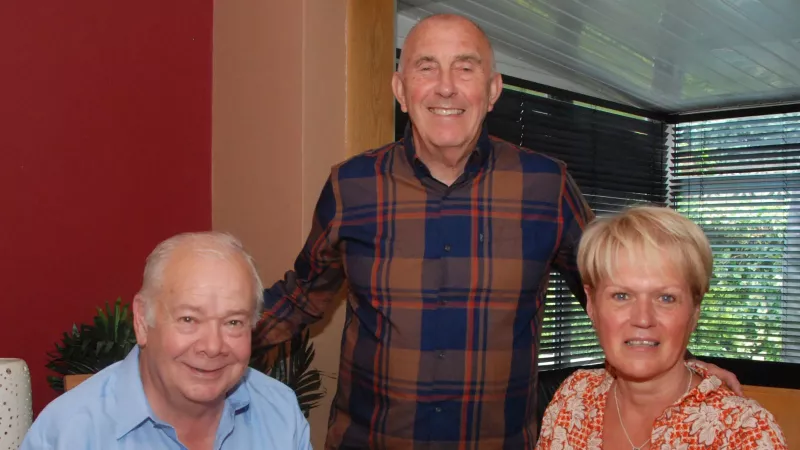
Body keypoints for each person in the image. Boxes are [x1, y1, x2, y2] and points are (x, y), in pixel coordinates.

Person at [257, 13, 741, 449]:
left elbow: (615, 286)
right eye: (426, 67)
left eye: (465, 68)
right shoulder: (352, 185)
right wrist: (209, 342)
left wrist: (682, 366)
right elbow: (302, 296)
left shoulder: (546, 185)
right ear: (401, 90)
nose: (446, 87)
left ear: (492, 90)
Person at [21, 232, 311, 450]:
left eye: (233, 322)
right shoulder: (71, 434)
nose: (212, 346)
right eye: (188, 319)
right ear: (141, 320)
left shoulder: (280, 414)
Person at [535, 206, 786, 449]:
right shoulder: (573, 398)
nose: (643, 319)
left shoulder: (743, 433)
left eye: (666, 298)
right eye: (621, 296)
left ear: (695, 310)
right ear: (591, 304)